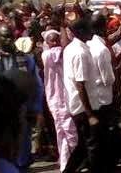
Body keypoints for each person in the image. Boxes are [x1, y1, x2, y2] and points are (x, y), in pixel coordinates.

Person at [0, 24, 43, 171]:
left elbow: (36, 85)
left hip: (20, 112)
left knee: (21, 150)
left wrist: (35, 108)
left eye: (11, 37)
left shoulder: (25, 59)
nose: (9, 40)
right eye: (5, 37)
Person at [62, 16, 103, 173]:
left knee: (83, 146)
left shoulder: (73, 49)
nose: (92, 31)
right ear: (80, 32)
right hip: (84, 108)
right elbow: (80, 84)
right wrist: (90, 114)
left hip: (79, 105)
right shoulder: (80, 53)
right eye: (89, 28)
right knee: (92, 146)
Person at [41, 30, 77, 171]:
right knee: (69, 133)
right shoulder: (47, 55)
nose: (55, 43)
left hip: (67, 98)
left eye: (57, 40)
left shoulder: (63, 53)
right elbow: (57, 52)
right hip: (57, 100)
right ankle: (74, 162)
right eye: (52, 41)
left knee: (63, 134)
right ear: (47, 43)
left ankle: (65, 164)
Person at [86, 12, 118, 170]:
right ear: (103, 28)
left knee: (94, 139)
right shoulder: (101, 50)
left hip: (92, 97)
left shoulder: (88, 46)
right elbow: (109, 79)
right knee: (105, 138)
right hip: (105, 99)